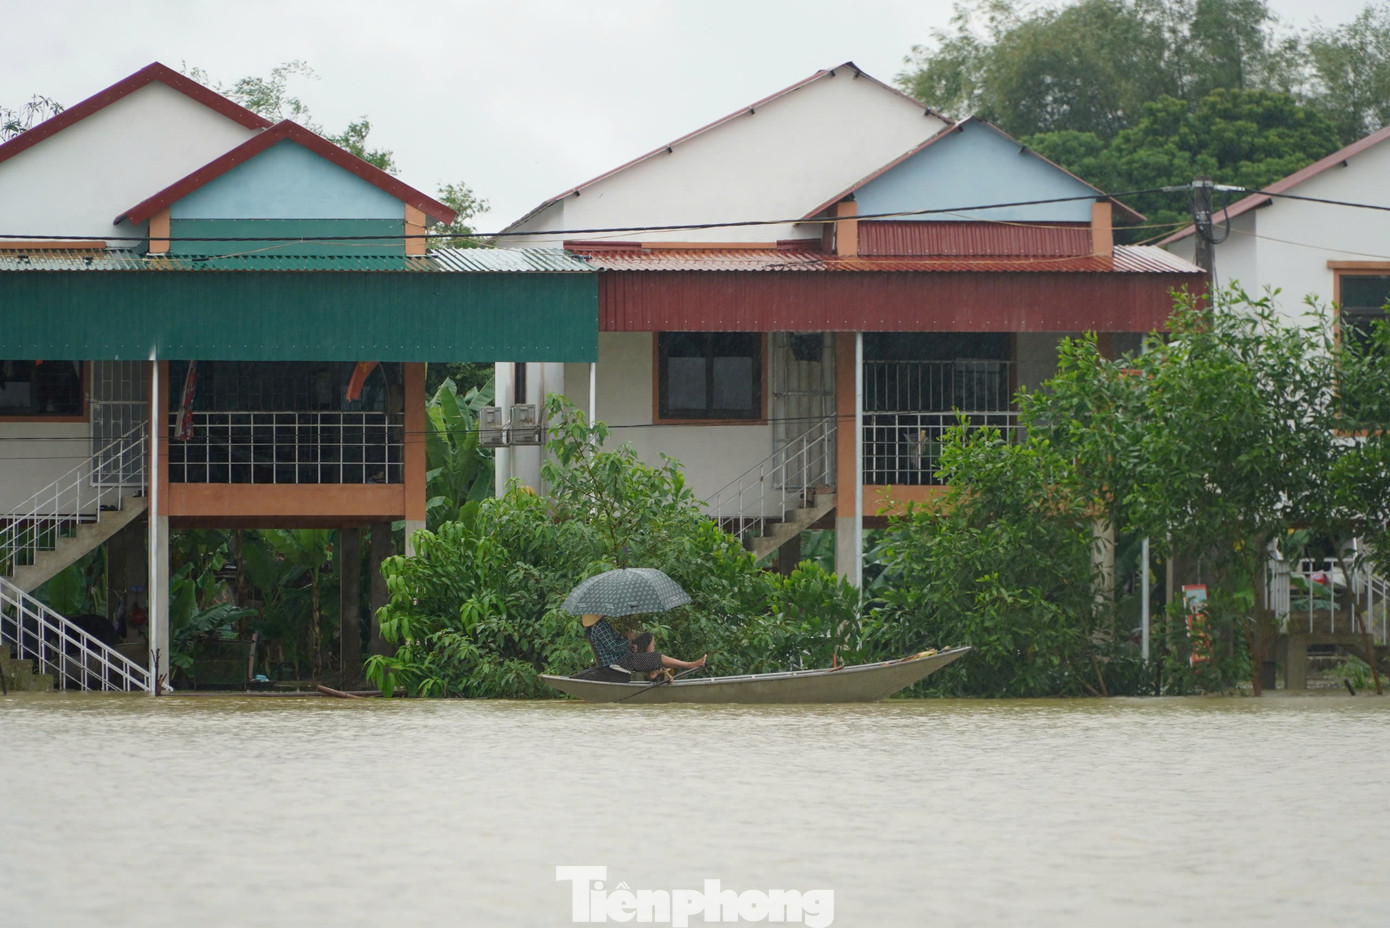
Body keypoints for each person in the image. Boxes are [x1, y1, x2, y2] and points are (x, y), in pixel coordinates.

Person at [580, 614, 706, 677]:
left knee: (648, 636)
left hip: (623, 654)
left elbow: (616, 643)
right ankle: (689, 665)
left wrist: (629, 645)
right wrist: (628, 641)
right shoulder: (599, 627)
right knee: (656, 657)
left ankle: (653, 672)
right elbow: (614, 647)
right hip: (618, 662)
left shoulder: (601, 624)